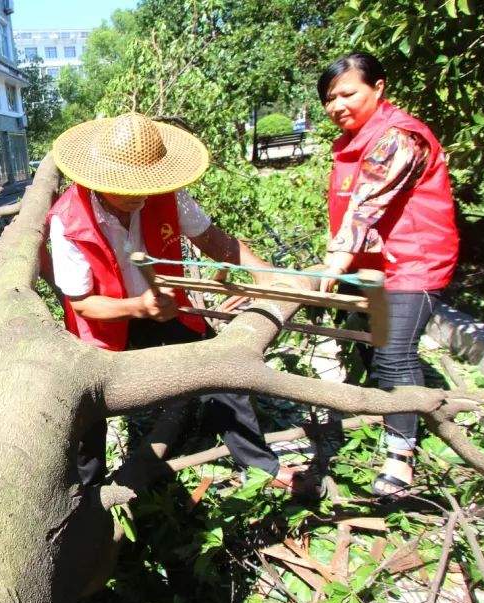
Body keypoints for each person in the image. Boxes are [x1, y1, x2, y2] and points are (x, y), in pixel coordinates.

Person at [46, 112, 305, 492]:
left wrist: (263, 273)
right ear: (99, 179)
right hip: (104, 318)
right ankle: (85, 495)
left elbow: (214, 240)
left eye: (145, 185)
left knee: (220, 368)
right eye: (127, 187)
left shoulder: (167, 195)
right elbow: (83, 304)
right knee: (88, 408)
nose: (139, 196)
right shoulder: (68, 220)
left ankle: (259, 464)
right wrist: (138, 307)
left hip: (163, 308)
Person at [316, 53, 459, 498]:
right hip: (376, 264)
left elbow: (366, 204)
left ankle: (401, 457)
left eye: (347, 93)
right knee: (378, 346)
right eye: (328, 98)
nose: (337, 104)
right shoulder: (356, 139)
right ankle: (392, 412)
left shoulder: (398, 137)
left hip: (413, 262)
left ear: (378, 87)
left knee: (395, 355)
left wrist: (336, 260)